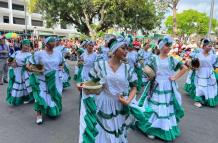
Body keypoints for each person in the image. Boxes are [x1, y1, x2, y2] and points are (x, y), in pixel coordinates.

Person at [79, 37, 138, 143]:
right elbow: (92, 83)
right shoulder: (100, 65)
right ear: (114, 50)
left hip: (120, 104)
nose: (126, 52)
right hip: (103, 103)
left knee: (117, 131)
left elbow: (134, 87)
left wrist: (128, 101)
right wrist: (82, 86)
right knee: (103, 132)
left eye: (126, 49)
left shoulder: (128, 68)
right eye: (123, 48)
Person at [135, 36, 188, 141]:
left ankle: (162, 129)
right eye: (167, 45)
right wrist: (149, 75)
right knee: (154, 108)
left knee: (165, 108)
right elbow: (146, 69)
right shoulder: (153, 58)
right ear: (161, 46)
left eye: (170, 46)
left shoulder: (172, 59)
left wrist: (174, 77)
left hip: (167, 87)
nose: (169, 48)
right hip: (155, 86)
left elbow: (185, 68)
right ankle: (151, 129)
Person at [27, 37, 65, 124]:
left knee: (53, 97)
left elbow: (62, 63)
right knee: (41, 95)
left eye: (54, 41)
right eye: (51, 42)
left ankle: (50, 109)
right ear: (46, 44)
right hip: (42, 78)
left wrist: (61, 67)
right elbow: (28, 65)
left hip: (54, 79)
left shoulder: (58, 53)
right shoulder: (39, 54)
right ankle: (39, 114)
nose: (54, 43)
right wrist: (34, 69)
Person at [188, 39, 218, 108]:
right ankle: (197, 101)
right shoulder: (198, 55)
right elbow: (192, 62)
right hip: (200, 73)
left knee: (209, 87)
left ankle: (207, 100)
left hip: (209, 73)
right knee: (200, 87)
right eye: (209, 46)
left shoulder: (213, 56)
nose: (210, 47)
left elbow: (215, 65)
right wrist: (193, 66)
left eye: (211, 46)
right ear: (204, 46)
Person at [6, 39, 33, 105]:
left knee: (26, 85)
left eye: (28, 46)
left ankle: (28, 98)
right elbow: (9, 60)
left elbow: (29, 65)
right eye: (25, 45)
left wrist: (19, 65)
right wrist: (11, 63)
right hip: (16, 71)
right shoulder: (17, 52)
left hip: (24, 72)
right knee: (17, 84)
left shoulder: (29, 55)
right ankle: (18, 99)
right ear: (22, 45)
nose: (27, 47)